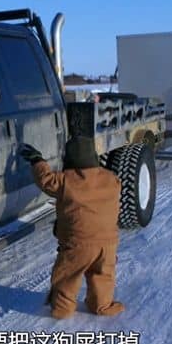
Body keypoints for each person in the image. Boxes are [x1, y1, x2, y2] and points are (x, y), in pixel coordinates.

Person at [20, 137, 125, 319]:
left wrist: (37, 160)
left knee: (67, 277)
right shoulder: (111, 179)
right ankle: (101, 305)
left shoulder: (66, 180)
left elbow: (46, 180)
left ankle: (63, 309)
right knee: (103, 276)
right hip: (108, 244)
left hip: (78, 244)